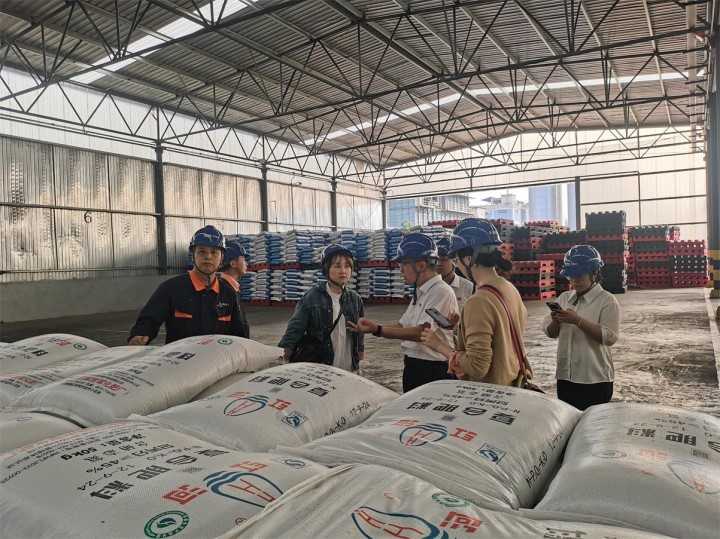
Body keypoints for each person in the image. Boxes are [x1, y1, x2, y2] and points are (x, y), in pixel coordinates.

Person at [420, 218, 527, 386]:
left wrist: (440, 346)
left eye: (456, 259)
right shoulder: (509, 288)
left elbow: (477, 366)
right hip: (511, 383)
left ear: (469, 259)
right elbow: (501, 336)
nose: (457, 265)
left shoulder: (479, 301)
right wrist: (461, 327)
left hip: (491, 392)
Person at [348, 233, 458, 392]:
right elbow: (402, 325)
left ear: (421, 265)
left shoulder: (441, 292)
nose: (400, 270)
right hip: (415, 367)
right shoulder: (422, 291)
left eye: (404, 264)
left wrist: (378, 330)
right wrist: (374, 327)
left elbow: (421, 332)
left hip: (433, 370)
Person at [128, 225, 249, 345]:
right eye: (202, 251)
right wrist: (140, 335)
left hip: (217, 357)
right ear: (193, 254)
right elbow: (148, 320)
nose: (208, 257)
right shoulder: (171, 289)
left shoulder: (229, 293)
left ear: (222, 257)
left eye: (214, 252)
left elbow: (240, 335)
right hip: (180, 356)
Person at [542, 245, 620, 410]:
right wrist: (556, 321)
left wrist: (578, 321)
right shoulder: (564, 298)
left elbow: (610, 337)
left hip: (594, 379)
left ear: (595, 273)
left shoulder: (606, 300)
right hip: (566, 376)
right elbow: (550, 333)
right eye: (570, 276)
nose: (574, 281)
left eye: (579, 276)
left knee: (591, 423)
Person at [279, 244, 365, 373]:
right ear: (326, 269)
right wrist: (286, 351)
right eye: (337, 266)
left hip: (347, 362)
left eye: (347, 266)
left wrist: (359, 354)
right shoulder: (312, 297)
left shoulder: (355, 299)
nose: (343, 271)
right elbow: (296, 327)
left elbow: (360, 329)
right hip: (322, 363)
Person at [219, 240, 250, 337]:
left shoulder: (231, 287)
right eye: (243, 259)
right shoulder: (224, 290)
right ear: (233, 263)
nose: (246, 264)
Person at [436, 236, 475, 311]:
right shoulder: (429, 288)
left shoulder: (468, 288)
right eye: (436, 260)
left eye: (444, 260)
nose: (438, 264)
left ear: (454, 262)